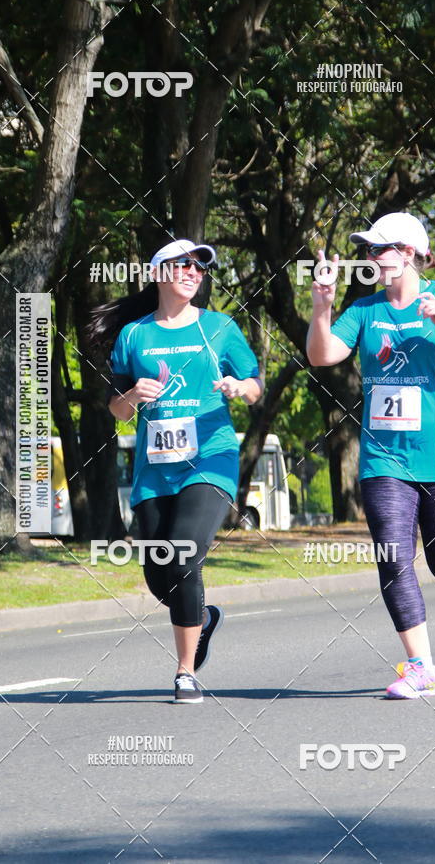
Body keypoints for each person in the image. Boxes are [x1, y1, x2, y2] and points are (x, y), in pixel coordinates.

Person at [306, 212, 435, 699]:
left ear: (409, 253)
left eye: (379, 250)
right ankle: (420, 667)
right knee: (393, 559)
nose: (371, 258)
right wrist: (321, 306)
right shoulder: (366, 309)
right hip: (384, 459)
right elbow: (322, 354)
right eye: (368, 250)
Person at [90, 239, 263, 703]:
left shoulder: (219, 328)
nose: (192, 271)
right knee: (158, 573)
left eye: (199, 267)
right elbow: (116, 410)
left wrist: (238, 386)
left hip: (210, 459)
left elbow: (255, 385)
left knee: (183, 553)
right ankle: (202, 618)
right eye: (182, 264)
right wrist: (133, 396)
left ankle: (185, 671)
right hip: (155, 469)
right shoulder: (134, 335)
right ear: (158, 273)